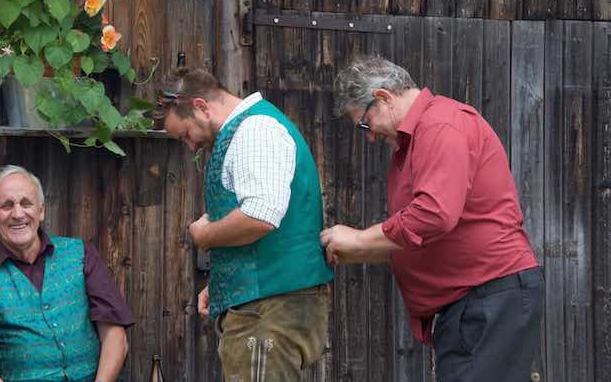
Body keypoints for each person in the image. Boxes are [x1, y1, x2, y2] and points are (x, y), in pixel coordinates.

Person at [320, 56, 544, 382]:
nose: (369, 137)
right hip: (478, 301)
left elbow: (435, 214)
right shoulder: (420, 136)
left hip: (490, 298)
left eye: (365, 124)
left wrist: (358, 239)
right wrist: (357, 248)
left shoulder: (440, 125)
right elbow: (418, 234)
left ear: (383, 97)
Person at [161, 67, 333, 381]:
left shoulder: (255, 130)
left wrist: (206, 235)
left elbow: (260, 216)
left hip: (270, 308)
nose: (191, 146)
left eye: (186, 134)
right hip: (264, 304)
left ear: (201, 106)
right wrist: (223, 283)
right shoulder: (245, 131)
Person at [0, 165, 134, 382]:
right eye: (6, 206)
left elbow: (115, 335)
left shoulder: (81, 254)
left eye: (26, 203)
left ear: (41, 211)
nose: (18, 214)